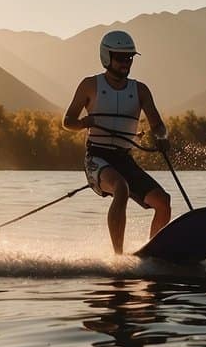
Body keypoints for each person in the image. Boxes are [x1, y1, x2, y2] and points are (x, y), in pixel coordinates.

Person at [62, 30, 172, 254]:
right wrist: (84, 123)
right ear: (107, 57)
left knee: (163, 201)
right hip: (97, 158)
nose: (126, 63)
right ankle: (118, 258)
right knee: (121, 188)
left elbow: (159, 126)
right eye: (121, 58)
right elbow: (67, 121)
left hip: (124, 160)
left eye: (129, 58)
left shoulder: (140, 90)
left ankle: (153, 255)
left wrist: (162, 138)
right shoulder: (89, 85)